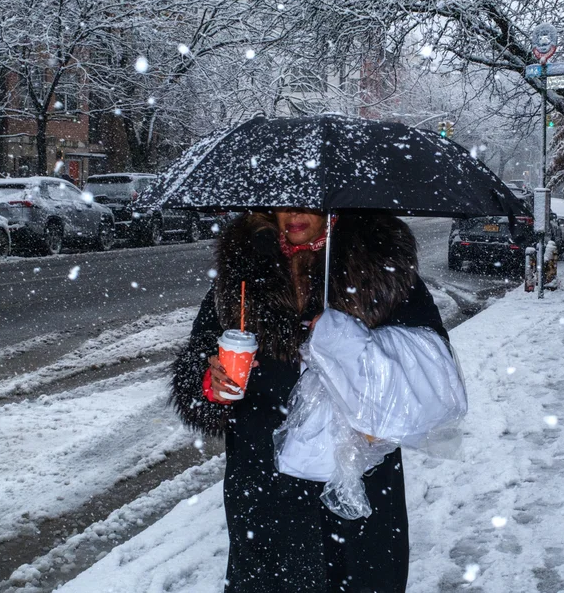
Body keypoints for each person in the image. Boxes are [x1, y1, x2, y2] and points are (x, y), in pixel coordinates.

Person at [169, 208, 449, 592]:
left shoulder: (381, 266)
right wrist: (208, 381)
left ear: (335, 205)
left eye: (308, 202)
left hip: (356, 479)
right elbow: (198, 356)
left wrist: (347, 339)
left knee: (359, 578)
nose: (295, 214)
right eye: (284, 202)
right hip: (265, 480)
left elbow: (431, 366)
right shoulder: (244, 271)